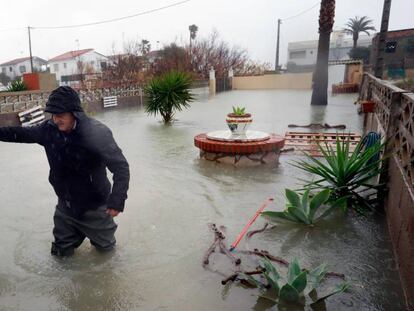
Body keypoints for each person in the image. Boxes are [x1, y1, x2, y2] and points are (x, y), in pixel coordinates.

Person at [0, 86, 130, 256]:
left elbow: (121, 167)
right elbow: (20, 133)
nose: (55, 119)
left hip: (96, 207)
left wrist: (117, 200)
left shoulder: (97, 133)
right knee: (60, 254)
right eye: (53, 115)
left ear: (74, 113)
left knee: (106, 256)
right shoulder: (48, 130)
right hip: (66, 207)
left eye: (60, 115)